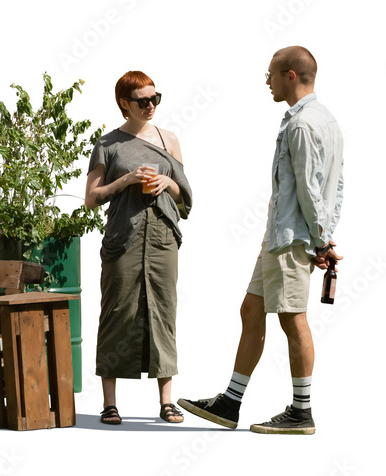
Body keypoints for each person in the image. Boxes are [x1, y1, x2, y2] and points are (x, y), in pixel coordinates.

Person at [178, 46, 344, 435]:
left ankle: (301, 412)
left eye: (270, 75)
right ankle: (230, 403)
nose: (266, 82)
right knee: (251, 311)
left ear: (290, 75)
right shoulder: (328, 121)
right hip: (282, 237)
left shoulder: (302, 124)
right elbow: (335, 185)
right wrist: (324, 235)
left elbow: (308, 188)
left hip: (291, 237)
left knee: (293, 319)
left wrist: (320, 241)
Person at [84, 71, 193, 425]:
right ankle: (109, 403)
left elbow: (186, 197)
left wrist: (167, 183)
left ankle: (166, 401)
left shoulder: (169, 140)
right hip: (123, 237)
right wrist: (127, 179)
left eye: (154, 99)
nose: (150, 106)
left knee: (163, 310)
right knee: (116, 311)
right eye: (142, 101)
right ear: (123, 104)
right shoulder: (108, 145)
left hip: (162, 237)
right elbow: (91, 199)